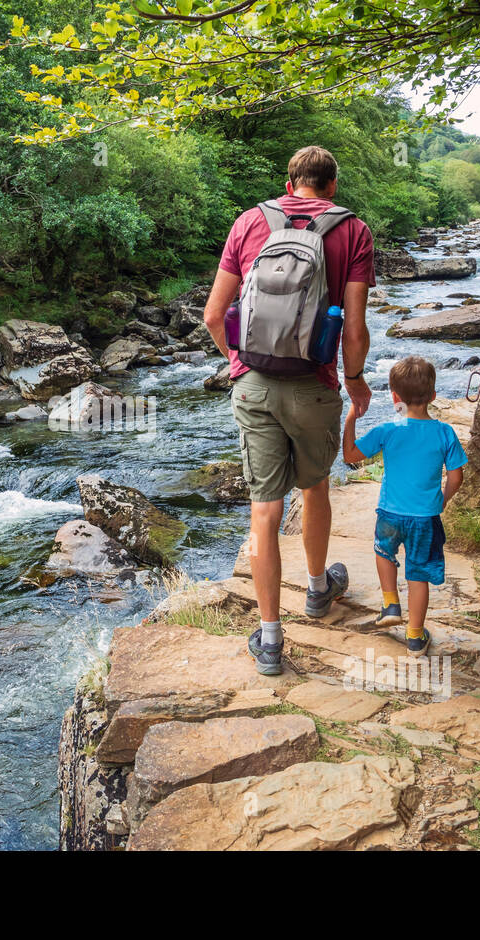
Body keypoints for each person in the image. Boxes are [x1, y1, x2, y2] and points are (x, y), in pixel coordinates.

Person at [203, 145, 375, 675]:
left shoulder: (249, 222)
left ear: (290, 181)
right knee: (316, 487)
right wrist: (353, 378)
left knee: (264, 509)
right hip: (315, 387)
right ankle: (319, 589)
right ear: (333, 185)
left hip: (254, 386)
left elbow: (214, 315)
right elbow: (352, 327)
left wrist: (239, 365)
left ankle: (272, 639)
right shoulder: (353, 231)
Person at [342, 356, 467, 657]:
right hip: (425, 517)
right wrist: (443, 498)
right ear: (434, 396)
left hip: (390, 513)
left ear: (395, 397)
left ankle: (390, 604)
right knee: (418, 573)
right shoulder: (445, 433)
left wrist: (350, 417)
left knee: (383, 551)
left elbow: (349, 455)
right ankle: (414, 637)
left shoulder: (388, 430)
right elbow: (457, 475)